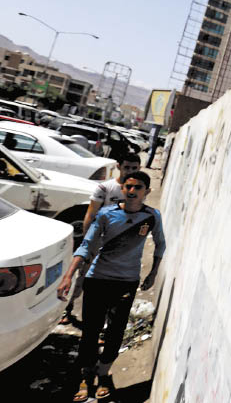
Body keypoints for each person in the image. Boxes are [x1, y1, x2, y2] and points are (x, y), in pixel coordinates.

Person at [57, 171, 166, 402]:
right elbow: (87, 245)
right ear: (122, 188)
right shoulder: (107, 214)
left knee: (115, 333)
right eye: (128, 186)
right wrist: (68, 275)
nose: (132, 191)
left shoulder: (152, 216)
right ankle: (86, 377)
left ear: (147, 191)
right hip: (98, 279)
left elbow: (160, 245)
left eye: (138, 187)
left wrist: (153, 273)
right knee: (90, 332)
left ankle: (103, 374)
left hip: (126, 282)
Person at [59, 152, 142, 325]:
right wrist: (88, 243)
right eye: (127, 167)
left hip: (119, 247)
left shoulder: (138, 190)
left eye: (134, 168)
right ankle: (67, 309)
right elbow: (90, 215)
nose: (130, 171)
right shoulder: (105, 188)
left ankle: (103, 322)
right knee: (83, 277)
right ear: (119, 167)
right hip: (99, 242)